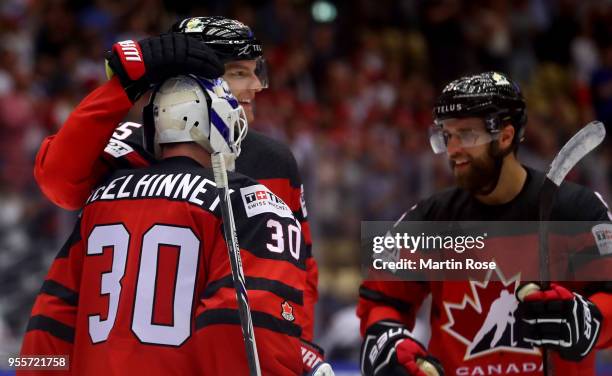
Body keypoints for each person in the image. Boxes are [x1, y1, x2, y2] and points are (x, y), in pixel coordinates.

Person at [31, 16, 322, 369]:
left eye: (257, 70)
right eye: (239, 72)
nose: (258, 85)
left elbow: (299, 272)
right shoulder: (125, 146)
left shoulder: (275, 161)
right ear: (193, 83)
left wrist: (300, 346)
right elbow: (57, 182)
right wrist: (124, 84)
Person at [358, 71, 612, 375]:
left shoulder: (576, 211)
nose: (453, 151)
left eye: (466, 135)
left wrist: (591, 319)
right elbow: (381, 300)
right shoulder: (431, 220)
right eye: (447, 136)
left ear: (505, 136)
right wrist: (388, 342)